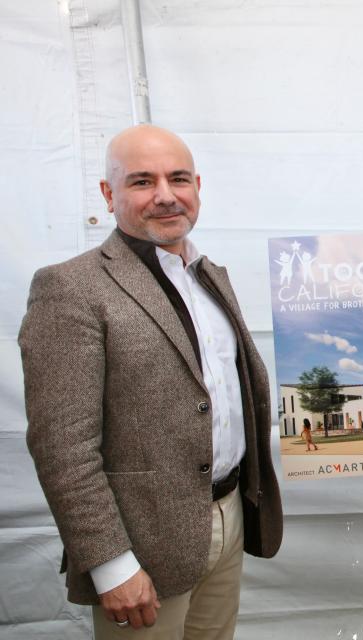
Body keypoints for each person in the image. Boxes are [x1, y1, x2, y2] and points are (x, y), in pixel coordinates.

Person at [20, 124, 283, 639]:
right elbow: (62, 448)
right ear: (107, 193)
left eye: (178, 178)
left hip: (227, 517)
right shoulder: (70, 288)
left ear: (198, 185)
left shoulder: (209, 277)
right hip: (142, 548)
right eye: (142, 181)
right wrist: (111, 563)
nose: (165, 196)